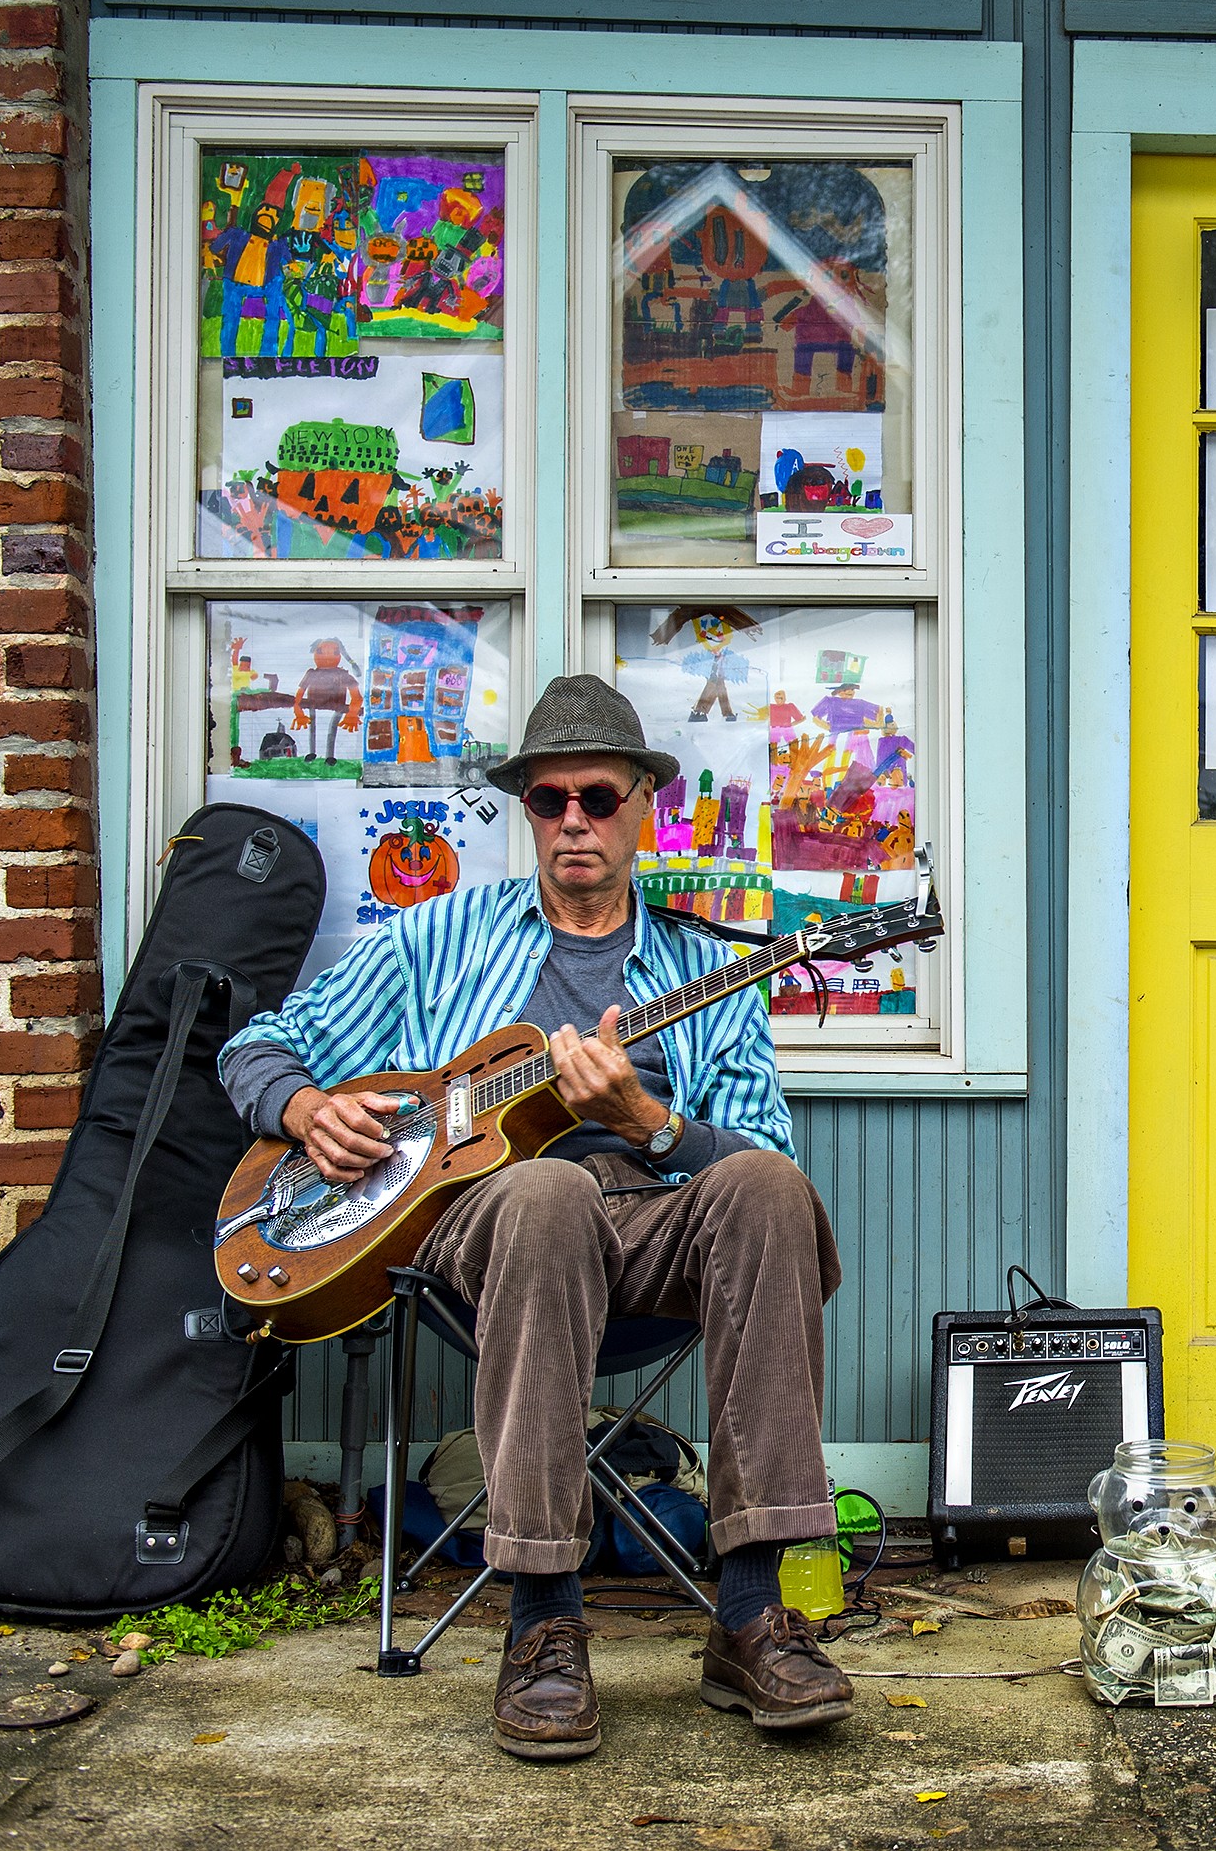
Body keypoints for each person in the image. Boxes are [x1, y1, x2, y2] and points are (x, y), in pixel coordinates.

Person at [216, 675, 853, 1763]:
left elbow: (766, 1161)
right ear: (527, 810)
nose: (572, 821)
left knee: (766, 1192)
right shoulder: (437, 939)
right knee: (546, 1188)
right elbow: (257, 1044)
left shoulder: (712, 969)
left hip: (657, 1221)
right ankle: (543, 1620)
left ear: (642, 804)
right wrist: (306, 1106)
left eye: (597, 797)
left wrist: (649, 1121)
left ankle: (752, 1612)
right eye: (548, 799)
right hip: (485, 1228)